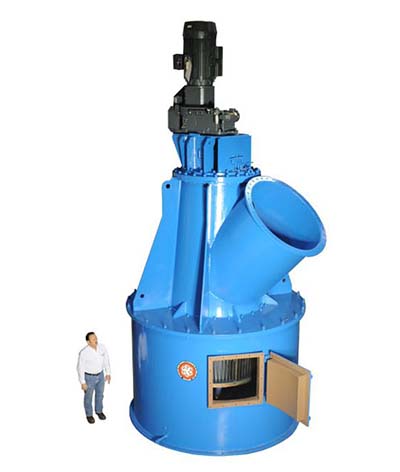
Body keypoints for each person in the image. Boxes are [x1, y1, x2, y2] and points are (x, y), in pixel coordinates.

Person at [77, 332, 111, 423]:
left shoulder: (102, 347)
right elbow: (80, 368)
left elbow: (106, 360)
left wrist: (108, 373)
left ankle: (99, 411)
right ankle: (89, 415)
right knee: (88, 397)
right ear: (88, 342)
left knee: (100, 394)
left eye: (96, 338)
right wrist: (82, 382)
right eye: (93, 339)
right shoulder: (84, 353)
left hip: (100, 375)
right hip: (89, 377)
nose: (95, 340)